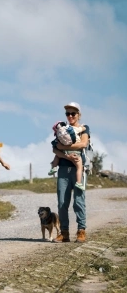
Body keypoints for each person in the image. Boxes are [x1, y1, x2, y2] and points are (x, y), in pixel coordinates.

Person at [52, 102, 90, 243]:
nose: (70, 116)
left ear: (78, 115)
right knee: (62, 202)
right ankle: (64, 233)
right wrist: (66, 155)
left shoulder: (84, 128)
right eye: (67, 113)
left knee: (79, 201)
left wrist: (64, 146)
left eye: (73, 113)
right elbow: (55, 149)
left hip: (78, 169)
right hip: (63, 168)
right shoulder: (61, 128)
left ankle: (81, 230)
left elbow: (83, 144)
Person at [48, 121, 86, 191]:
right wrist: (83, 127)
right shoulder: (72, 129)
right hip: (75, 152)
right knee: (79, 167)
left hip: (64, 152)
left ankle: (53, 167)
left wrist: (62, 149)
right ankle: (79, 182)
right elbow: (83, 129)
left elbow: (55, 148)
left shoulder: (58, 135)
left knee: (57, 156)